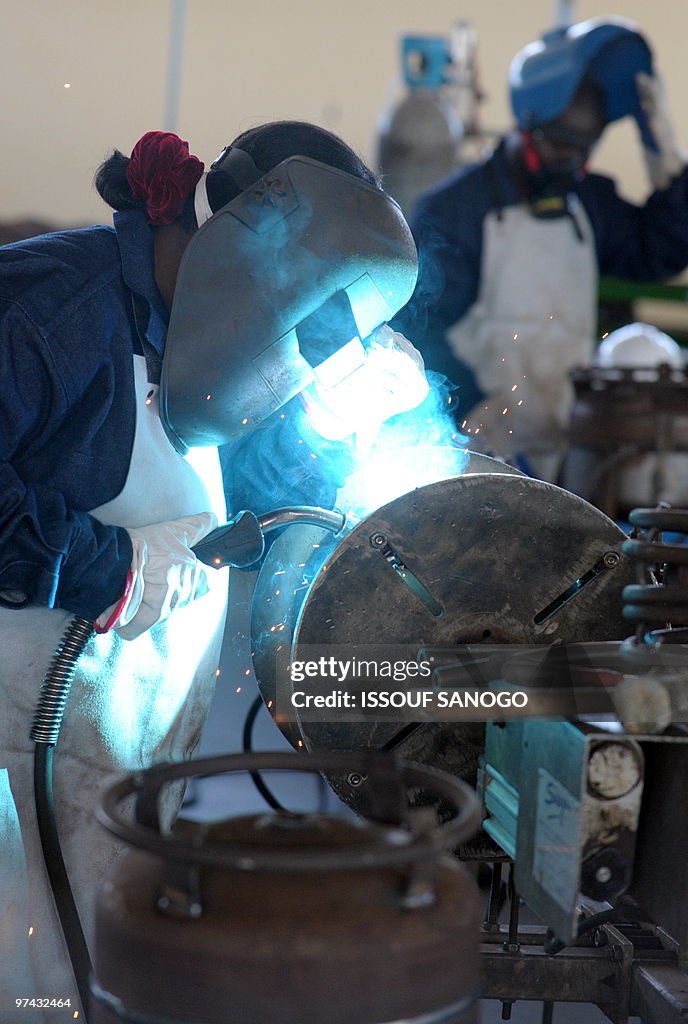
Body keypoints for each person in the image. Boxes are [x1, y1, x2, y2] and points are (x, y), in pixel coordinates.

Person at [0, 121, 427, 1019]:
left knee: (103, 985)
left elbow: (251, 490)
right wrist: (101, 566)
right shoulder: (47, 310)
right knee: (29, 988)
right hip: (16, 767)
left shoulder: (204, 348)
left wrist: (347, 409)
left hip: (124, 764)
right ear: (230, 251)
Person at [397, 16, 688, 481]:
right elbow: (415, 332)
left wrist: (666, 160)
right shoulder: (457, 211)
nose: (568, 163)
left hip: (573, 444)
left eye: (581, 150)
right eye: (559, 145)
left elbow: (660, 253)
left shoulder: (587, 201)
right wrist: (471, 408)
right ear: (526, 125)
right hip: (479, 450)